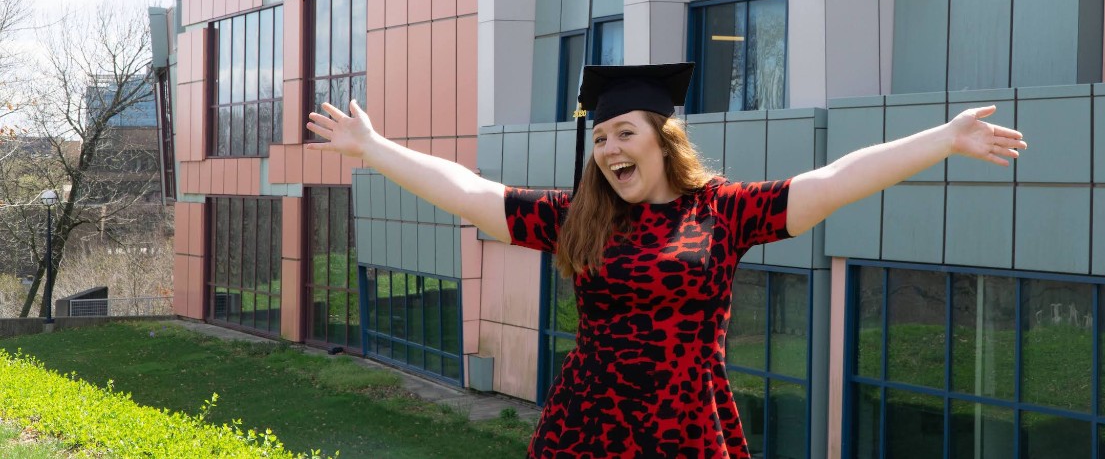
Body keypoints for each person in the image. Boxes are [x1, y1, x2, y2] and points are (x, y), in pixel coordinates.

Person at [305, 62, 1026, 458]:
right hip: (588, 426)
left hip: (686, 427)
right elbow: (470, 192)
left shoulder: (724, 211)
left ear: (661, 138)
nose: (610, 149)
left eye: (625, 133)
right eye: (600, 139)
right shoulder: (578, 218)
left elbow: (835, 180)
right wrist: (374, 149)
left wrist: (943, 139)